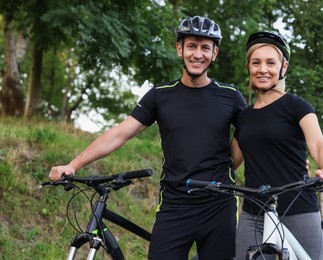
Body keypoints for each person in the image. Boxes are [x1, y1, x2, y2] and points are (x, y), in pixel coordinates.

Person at [49, 16, 247, 260]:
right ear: (179, 49)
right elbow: (120, 133)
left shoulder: (231, 95)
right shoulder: (160, 96)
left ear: (214, 53)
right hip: (174, 204)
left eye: (205, 48)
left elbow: (255, 136)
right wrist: (73, 164)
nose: (198, 54)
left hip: (218, 206)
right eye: (192, 46)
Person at [230, 31, 323, 260]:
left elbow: (318, 143)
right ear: (248, 67)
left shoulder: (296, 106)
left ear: (283, 67)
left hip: (297, 209)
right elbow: (229, 163)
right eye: (256, 62)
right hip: (253, 213)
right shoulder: (244, 117)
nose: (262, 69)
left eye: (270, 62)